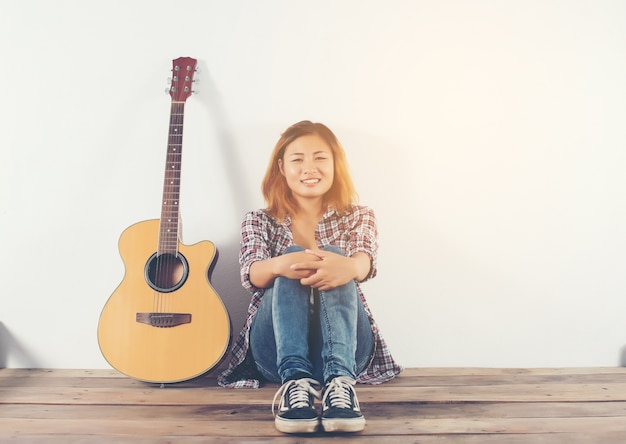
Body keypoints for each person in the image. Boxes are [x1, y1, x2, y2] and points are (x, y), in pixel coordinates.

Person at [218, 120, 402, 434]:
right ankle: (295, 385)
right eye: (298, 159)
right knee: (291, 256)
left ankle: (340, 386)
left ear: (334, 164)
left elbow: (364, 261)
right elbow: (251, 273)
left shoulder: (359, 215)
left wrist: (347, 266)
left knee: (333, 253)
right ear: (281, 167)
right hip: (274, 353)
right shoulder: (259, 220)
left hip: (348, 350)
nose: (309, 168)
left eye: (319, 158)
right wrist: (282, 265)